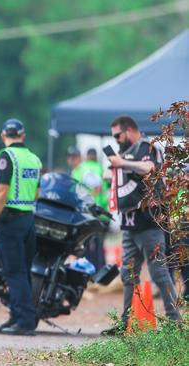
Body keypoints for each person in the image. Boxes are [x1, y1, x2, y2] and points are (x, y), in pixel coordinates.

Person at [102, 115, 181, 335]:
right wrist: (113, 174)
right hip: (129, 225)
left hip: (149, 223)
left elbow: (149, 168)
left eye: (118, 135)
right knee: (128, 275)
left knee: (159, 274)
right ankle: (126, 324)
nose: (116, 140)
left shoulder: (147, 147)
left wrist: (123, 164)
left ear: (129, 130)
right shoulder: (125, 153)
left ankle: (175, 323)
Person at [0, 118, 42, 336]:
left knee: (13, 272)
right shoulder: (34, 159)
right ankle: (17, 316)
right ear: (23, 136)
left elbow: (1, 191)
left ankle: (25, 322)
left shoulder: (5, 156)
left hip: (9, 219)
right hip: (28, 217)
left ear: (3, 136)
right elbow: (38, 192)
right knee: (23, 271)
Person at [72, 148, 108, 269]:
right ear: (96, 156)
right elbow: (106, 189)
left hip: (85, 212)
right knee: (99, 245)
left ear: (86, 156)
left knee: (84, 243)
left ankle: (84, 269)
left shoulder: (79, 169)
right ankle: (100, 271)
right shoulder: (101, 169)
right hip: (100, 212)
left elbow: (74, 189)